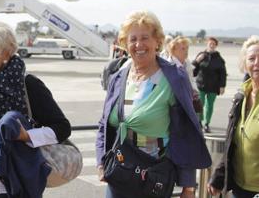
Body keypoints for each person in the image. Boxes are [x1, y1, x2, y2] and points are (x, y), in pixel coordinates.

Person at [95, 10, 211, 198]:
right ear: (125, 44)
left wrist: (188, 186)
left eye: (145, 38)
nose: (138, 44)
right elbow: (104, 124)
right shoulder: (118, 78)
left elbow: (187, 130)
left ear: (157, 41)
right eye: (132, 39)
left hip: (153, 176)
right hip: (119, 172)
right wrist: (101, 163)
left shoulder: (174, 77)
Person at [0, 23, 71, 197]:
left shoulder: (28, 84)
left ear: (6, 54)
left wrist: (27, 136)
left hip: (26, 177)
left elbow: (62, 128)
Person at [207, 35, 259, 198]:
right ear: (245, 64)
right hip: (239, 188)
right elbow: (232, 142)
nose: (257, 63)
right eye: (251, 58)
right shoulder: (241, 97)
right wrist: (219, 176)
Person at [192, 37, 227, 133]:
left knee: (210, 106)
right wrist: (197, 61)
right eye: (210, 43)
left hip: (213, 86)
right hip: (201, 84)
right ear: (207, 44)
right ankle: (199, 121)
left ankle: (207, 124)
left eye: (214, 44)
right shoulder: (201, 55)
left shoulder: (219, 59)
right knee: (200, 104)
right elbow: (192, 68)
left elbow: (223, 73)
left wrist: (222, 86)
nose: (211, 45)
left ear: (216, 46)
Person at [167, 36, 202, 113]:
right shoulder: (168, 65)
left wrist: (195, 91)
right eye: (183, 49)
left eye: (187, 48)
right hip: (174, 105)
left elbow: (191, 79)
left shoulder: (187, 63)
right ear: (173, 50)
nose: (186, 51)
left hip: (188, 101)